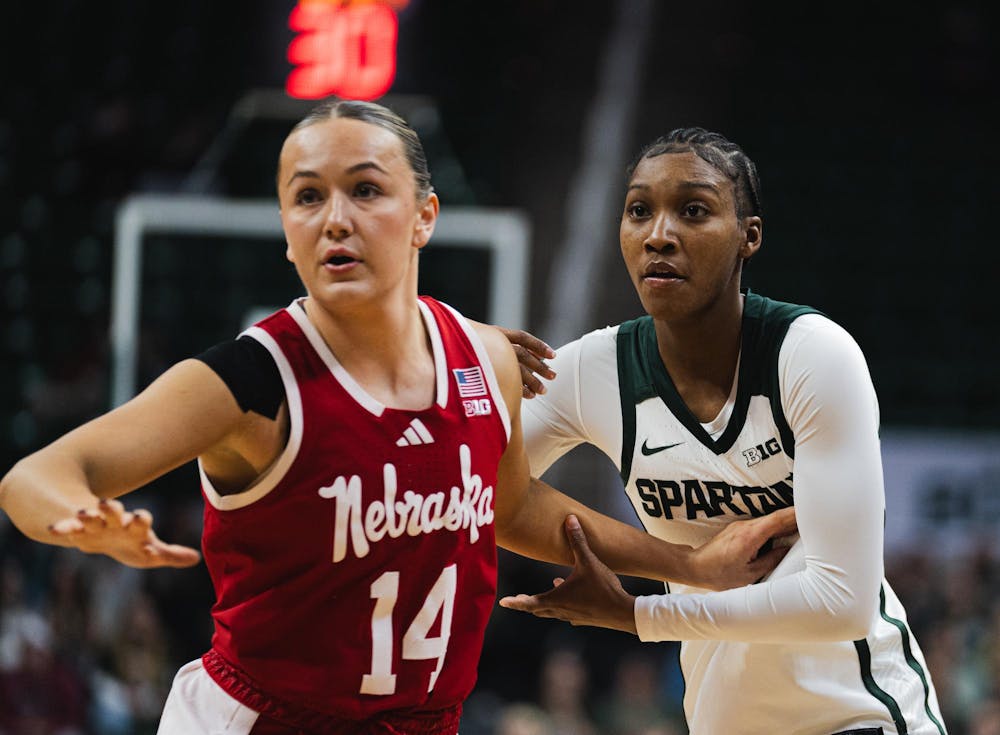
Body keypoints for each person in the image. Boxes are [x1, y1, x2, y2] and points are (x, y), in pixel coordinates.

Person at [0, 104, 795, 735]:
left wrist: (689, 566)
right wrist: (78, 518)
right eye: (307, 196)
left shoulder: (484, 356)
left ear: (425, 216)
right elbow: (34, 476)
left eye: (366, 189)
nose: (334, 218)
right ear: (286, 230)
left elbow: (511, 507)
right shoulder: (250, 379)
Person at [499, 128, 948, 734]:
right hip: (722, 717)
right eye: (639, 210)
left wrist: (638, 614)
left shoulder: (812, 354)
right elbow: (493, 493)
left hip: (859, 712)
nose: (659, 234)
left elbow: (839, 604)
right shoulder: (589, 372)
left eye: (693, 210)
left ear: (748, 237)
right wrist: (465, 357)